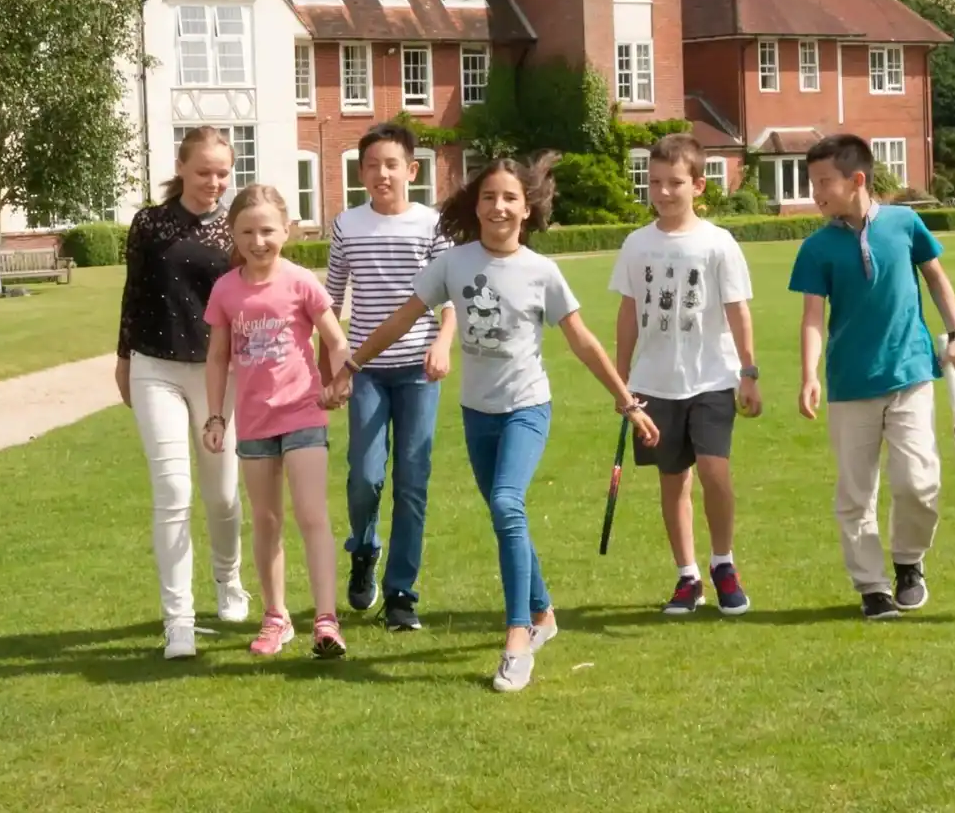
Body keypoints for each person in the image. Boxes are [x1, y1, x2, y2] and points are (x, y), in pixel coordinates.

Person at [340, 153, 660, 693]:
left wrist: (627, 401)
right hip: (477, 413)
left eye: (510, 197)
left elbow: (582, 340)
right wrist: (352, 365)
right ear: (476, 205)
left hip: (527, 409)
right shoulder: (454, 263)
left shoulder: (541, 272)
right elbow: (402, 318)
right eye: (489, 197)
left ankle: (517, 637)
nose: (499, 207)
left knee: (508, 504)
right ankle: (543, 610)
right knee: (503, 513)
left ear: (527, 208)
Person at [789, 133, 955, 621]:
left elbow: (935, 277)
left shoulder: (905, 223)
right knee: (855, 494)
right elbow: (812, 317)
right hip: (850, 384)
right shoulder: (816, 248)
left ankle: (909, 562)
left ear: (857, 180)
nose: (815, 193)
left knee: (919, 482)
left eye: (823, 182)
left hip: (911, 372)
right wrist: (809, 375)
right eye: (811, 183)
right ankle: (872, 587)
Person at [610, 133, 762, 617]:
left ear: (698, 185)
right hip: (654, 383)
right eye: (654, 182)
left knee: (715, 471)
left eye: (674, 182)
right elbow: (628, 313)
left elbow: (738, 310)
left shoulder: (718, 243)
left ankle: (723, 564)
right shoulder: (637, 243)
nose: (663, 192)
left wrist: (749, 371)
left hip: (713, 378)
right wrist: (620, 380)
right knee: (672, 479)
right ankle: (688, 576)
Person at [116, 126, 249, 660]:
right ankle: (179, 622)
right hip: (156, 368)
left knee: (221, 494)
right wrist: (124, 359)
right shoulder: (149, 224)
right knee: (172, 492)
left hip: (220, 375)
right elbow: (133, 295)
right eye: (203, 172)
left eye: (222, 173)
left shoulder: (236, 228)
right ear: (181, 167)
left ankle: (228, 579)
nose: (214, 182)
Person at [203, 185, 353, 659]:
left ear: (286, 231)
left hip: (302, 413)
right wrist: (215, 416)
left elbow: (335, 339)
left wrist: (340, 379)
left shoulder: (301, 281)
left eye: (268, 230)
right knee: (266, 522)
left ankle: (326, 620)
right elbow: (217, 357)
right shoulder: (225, 290)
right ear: (233, 234)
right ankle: (276, 616)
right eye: (247, 232)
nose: (258, 241)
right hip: (253, 423)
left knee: (312, 515)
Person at [319, 122, 456, 631]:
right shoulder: (346, 225)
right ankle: (364, 548)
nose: (382, 174)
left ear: (411, 170)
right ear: (361, 173)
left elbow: (451, 294)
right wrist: (328, 372)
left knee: (412, 482)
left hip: (419, 370)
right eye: (373, 165)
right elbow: (330, 302)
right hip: (366, 371)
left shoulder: (432, 224)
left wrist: (443, 342)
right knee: (365, 476)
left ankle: (401, 594)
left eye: (392, 164)